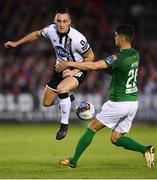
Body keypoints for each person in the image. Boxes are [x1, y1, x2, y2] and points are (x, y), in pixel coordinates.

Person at [56, 24, 155, 168]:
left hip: (118, 103)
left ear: (121, 38)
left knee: (91, 127)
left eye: (116, 36)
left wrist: (69, 65)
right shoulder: (135, 54)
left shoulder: (118, 57)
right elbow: (114, 71)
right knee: (115, 138)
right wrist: (98, 68)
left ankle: (73, 161)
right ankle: (146, 150)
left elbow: (96, 66)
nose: (114, 38)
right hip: (132, 102)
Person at [4, 8, 94, 140]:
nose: (61, 24)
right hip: (59, 69)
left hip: (78, 70)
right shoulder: (51, 30)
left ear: (69, 21)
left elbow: (90, 58)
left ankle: (64, 125)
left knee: (62, 89)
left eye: (64, 21)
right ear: (54, 21)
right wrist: (16, 43)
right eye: (59, 21)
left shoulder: (77, 38)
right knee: (46, 103)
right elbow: (35, 34)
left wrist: (73, 70)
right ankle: (66, 100)